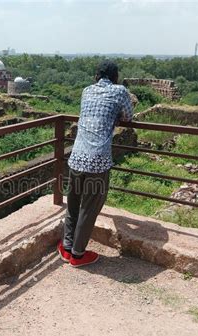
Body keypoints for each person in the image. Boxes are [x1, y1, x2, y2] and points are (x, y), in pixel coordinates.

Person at [59, 60, 133, 267]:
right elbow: (128, 116)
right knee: (89, 208)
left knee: (73, 204)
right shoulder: (120, 92)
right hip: (98, 161)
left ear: (96, 75)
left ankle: (66, 248)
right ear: (115, 76)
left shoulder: (86, 91)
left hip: (77, 156)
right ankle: (78, 254)